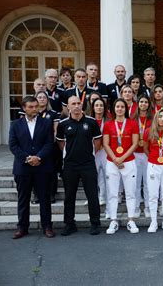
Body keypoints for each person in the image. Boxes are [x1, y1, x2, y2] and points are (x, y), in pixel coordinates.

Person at [9, 96, 55, 239]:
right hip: (23, 168)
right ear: (24, 108)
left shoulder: (46, 123)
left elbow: (49, 144)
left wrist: (38, 157)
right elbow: (13, 145)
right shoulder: (15, 124)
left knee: (44, 198)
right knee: (23, 198)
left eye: (36, 106)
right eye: (31, 107)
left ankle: (47, 226)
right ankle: (22, 227)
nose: (34, 109)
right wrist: (28, 158)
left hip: (42, 166)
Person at [56, 95, 102, 236]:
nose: (76, 106)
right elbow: (60, 143)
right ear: (68, 107)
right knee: (69, 196)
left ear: (82, 105)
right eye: (73, 104)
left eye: (78, 103)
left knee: (92, 195)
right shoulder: (63, 124)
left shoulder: (92, 122)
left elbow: (97, 142)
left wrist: (88, 153)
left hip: (88, 164)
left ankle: (95, 223)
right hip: (70, 165)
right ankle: (70, 224)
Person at [103, 98, 140, 234]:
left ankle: (131, 220)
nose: (119, 109)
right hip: (112, 162)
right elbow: (106, 144)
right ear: (114, 109)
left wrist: (122, 158)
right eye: (117, 106)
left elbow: (135, 143)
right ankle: (113, 220)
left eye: (122, 107)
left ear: (126, 109)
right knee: (112, 193)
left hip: (128, 161)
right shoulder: (108, 124)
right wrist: (115, 159)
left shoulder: (132, 124)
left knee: (130, 192)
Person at [35, 91, 60, 204]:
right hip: (35, 147)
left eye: (44, 97)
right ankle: (36, 195)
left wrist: (50, 142)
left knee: (51, 171)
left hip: (50, 146)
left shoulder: (53, 113)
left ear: (47, 99)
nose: (42, 99)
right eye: (39, 97)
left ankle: (51, 194)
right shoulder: (32, 113)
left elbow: (55, 130)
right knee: (35, 171)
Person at [133, 95, 153, 218]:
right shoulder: (132, 118)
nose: (143, 104)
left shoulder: (152, 119)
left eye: (146, 102)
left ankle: (148, 207)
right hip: (135, 153)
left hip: (147, 154)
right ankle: (135, 207)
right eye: (141, 102)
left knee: (147, 182)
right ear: (138, 104)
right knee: (135, 182)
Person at [90, 98, 109, 215]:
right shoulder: (89, 120)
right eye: (96, 105)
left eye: (101, 105)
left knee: (106, 175)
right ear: (93, 107)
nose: (99, 107)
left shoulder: (108, 120)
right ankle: (94, 197)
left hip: (106, 150)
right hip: (93, 151)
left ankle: (104, 197)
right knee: (94, 175)